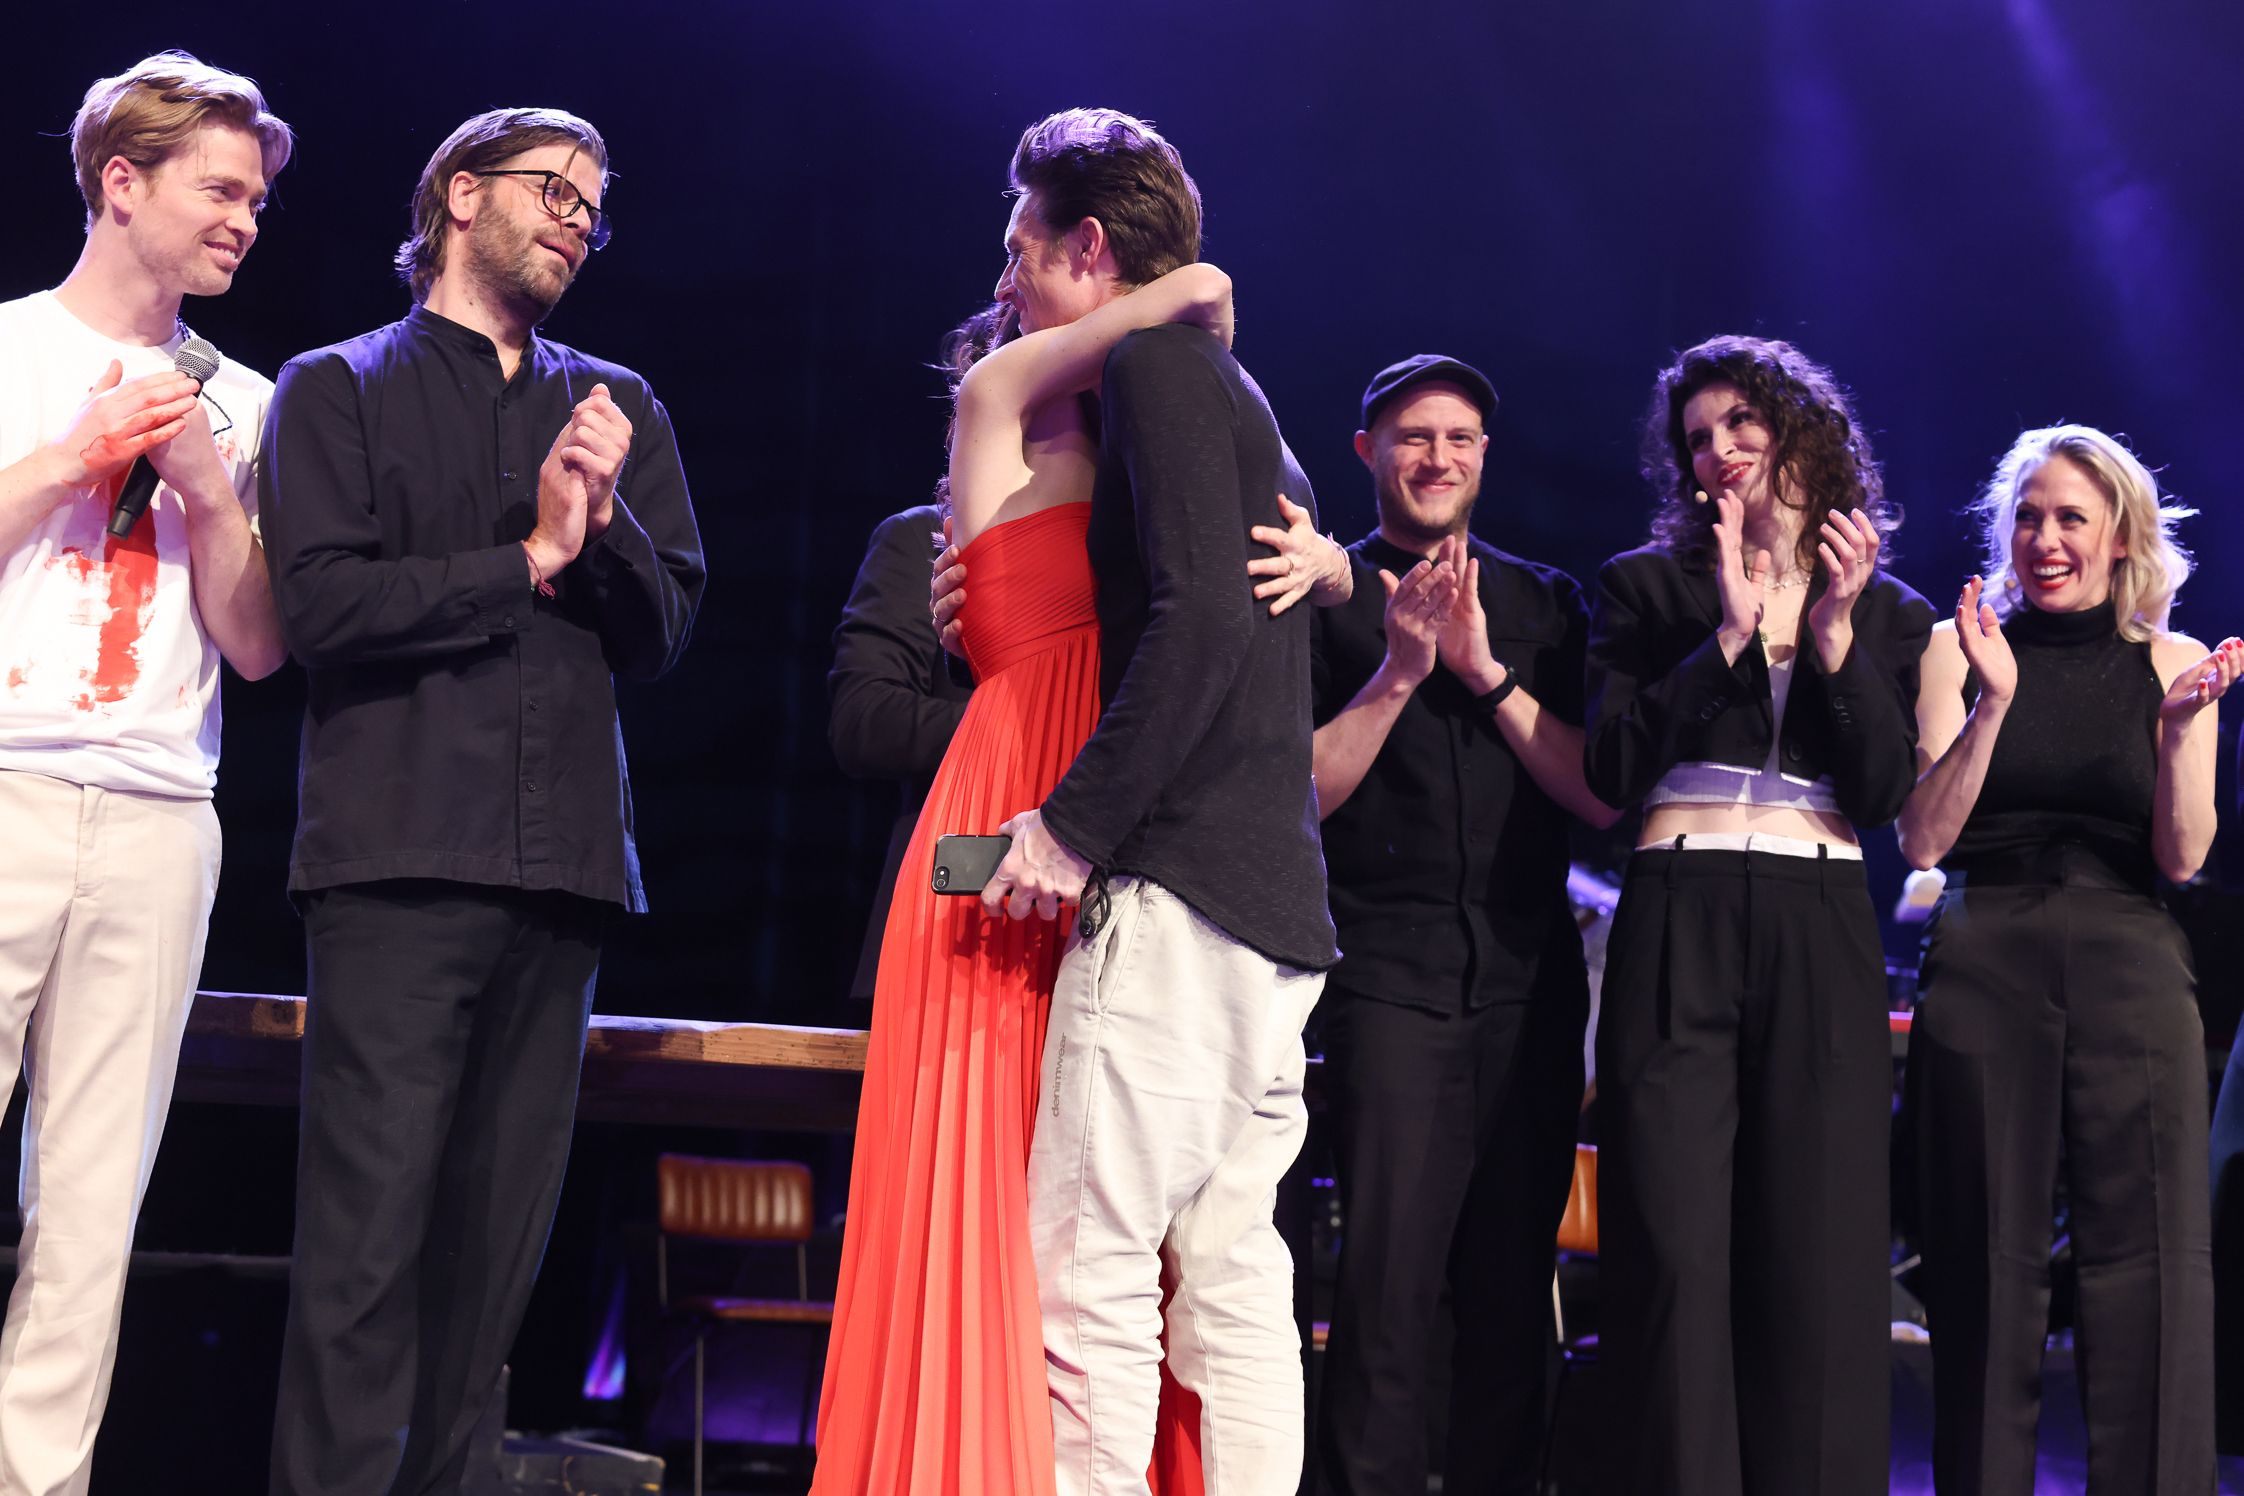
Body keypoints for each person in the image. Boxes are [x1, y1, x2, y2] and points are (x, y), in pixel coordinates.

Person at [258, 108, 704, 1494]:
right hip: (396, 865)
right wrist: (526, 560)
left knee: (492, 1263)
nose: (577, 217)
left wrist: (607, 521)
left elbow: (669, 625)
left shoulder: (612, 404)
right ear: (460, 195)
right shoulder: (335, 385)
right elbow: (320, 605)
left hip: (561, 871)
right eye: (553, 189)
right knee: (364, 1252)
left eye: (595, 203)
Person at [983, 110, 1341, 1496]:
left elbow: (1195, 627)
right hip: (1272, 916)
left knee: (1090, 1271)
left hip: (1185, 900)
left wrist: (1067, 830)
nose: (1009, 280)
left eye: (1024, 248)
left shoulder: (1157, 366)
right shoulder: (1240, 397)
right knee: (1238, 1284)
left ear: (1088, 244)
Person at [0, 52, 291, 1496]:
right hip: (6, 782)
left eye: (257, 198)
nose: (245, 219)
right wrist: (66, 462)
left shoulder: (246, 397)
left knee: (95, 1203)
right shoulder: (6, 351)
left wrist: (218, 497)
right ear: (123, 180)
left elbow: (254, 646)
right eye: (220, 189)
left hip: (166, 810)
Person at [1581, 335, 1934, 1496]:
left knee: (1821, 1250)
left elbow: (1883, 793)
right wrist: (1726, 634)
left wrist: (1829, 633)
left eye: (1742, 423)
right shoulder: (1646, 586)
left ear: (1797, 430)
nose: (1721, 451)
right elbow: (1615, 767)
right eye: (1699, 439)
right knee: (1676, 1246)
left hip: (1819, 909)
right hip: (1677, 897)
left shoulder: (1887, 608)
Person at [1897, 425, 2231, 1495]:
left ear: (2121, 534)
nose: (2045, 537)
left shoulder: (2176, 663)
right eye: (2027, 516)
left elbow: (2183, 857)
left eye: (2070, 517)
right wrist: (1995, 698)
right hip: (1988, 944)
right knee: (1986, 1259)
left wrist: (2181, 732)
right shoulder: (1960, 647)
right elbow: (1923, 841)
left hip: (2132, 949)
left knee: (2151, 1263)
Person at [1306, 354, 1617, 1496]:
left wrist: (1484, 671)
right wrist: (1396, 669)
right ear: (1367, 451)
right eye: (1413, 436)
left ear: (1485, 457)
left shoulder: (1544, 604)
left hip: (1529, 986)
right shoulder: (1318, 592)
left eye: (1461, 439)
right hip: (1385, 979)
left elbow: (1601, 794)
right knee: (1383, 1286)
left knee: (1509, 1286)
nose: (1437, 458)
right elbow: (1294, 796)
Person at [827, 502, 973, 1020]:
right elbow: (862, 718)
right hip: (955, 927)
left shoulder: (1131, 545)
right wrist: (1027, 724)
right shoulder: (927, 538)